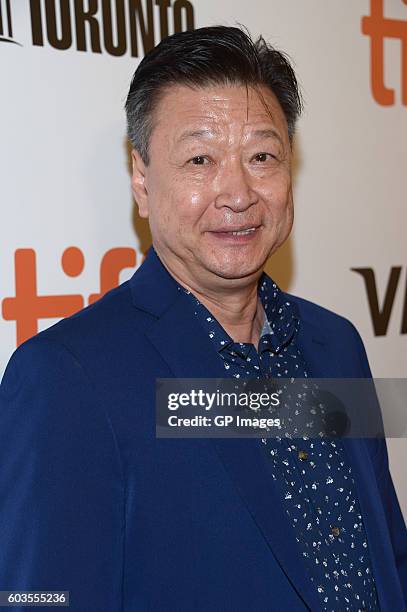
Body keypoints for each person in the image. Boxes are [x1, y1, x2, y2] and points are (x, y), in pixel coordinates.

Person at [0, 25, 405, 612]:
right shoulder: (67, 378)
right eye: (200, 159)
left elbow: (386, 552)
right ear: (142, 180)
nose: (237, 192)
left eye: (262, 156)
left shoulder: (335, 343)